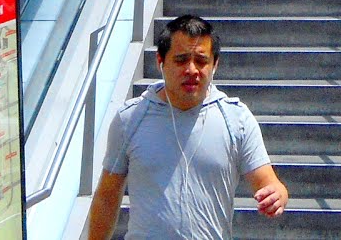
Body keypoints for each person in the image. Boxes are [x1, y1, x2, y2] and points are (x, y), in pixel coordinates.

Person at [87, 15, 288, 239]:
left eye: (201, 61)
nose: (192, 70)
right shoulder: (131, 118)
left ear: (215, 64)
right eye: (181, 60)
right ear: (160, 61)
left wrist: (277, 194)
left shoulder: (236, 119)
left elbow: (269, 182)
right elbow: (107, 195)